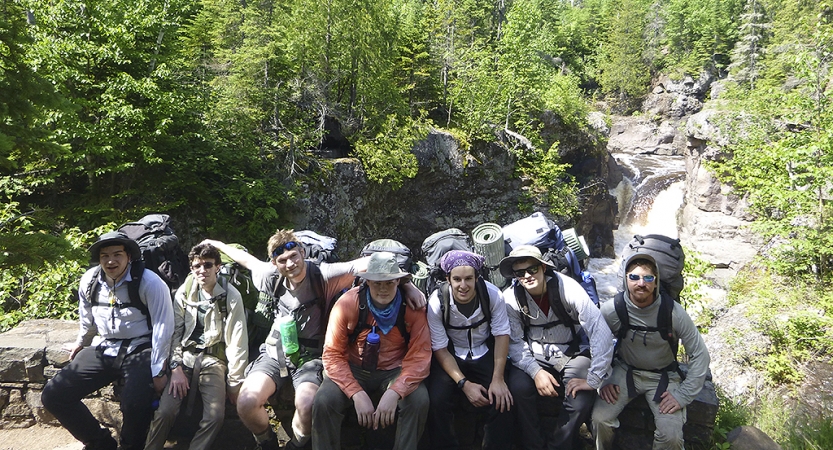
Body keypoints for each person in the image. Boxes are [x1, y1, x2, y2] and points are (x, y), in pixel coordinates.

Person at [202, 230, 426, 450]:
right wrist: (217, 244)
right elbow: (247, 260)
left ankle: (294, 446)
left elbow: (367, 264)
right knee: (246, 402)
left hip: (311, 357)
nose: (290, 264)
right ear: (274, 263)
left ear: (302, 252)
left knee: (309, 404)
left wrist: (406, 283)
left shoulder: (325, 274)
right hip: (275, 352)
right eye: (282, 260)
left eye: (293, 256)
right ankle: (268, 441)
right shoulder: (270, 275)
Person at [41, 231, 175, 450]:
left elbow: (163, 325)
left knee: (134, 404)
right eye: (105, 256)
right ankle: (100, 444)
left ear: (129, 256)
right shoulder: (90, 280)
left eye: (117, 254)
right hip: (105, 346)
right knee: (54, 395)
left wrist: (159, 369)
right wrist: (81, 342)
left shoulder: (149, 282)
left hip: (142, 348)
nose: (110, 261)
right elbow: (87, 318)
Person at [312, 252, 431, 450]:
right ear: (367, 282)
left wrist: (395, 391)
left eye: (389, 283)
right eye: (377, 283)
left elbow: (420, 356)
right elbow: (332, 354)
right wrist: (356, 393)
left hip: (395, 369)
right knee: (324, 401)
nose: (383, 289)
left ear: (398, 282)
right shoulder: (347, 304)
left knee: (418, 400)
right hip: (353, 366)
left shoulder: (412, 308)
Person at [499, 245, 614, 450]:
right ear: (515, 276)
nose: (527, 276)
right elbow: (515, 342)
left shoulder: (568, 288)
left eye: (532, 269)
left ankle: (558, 445)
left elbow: (599, 331)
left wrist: (595, 378)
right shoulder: (510, 299)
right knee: (518, 388)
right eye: (520, 273)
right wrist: (535, 372)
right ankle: (532, 445)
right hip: (534, 354)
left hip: (571, 352)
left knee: (580, 398)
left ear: (543, 267)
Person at [592, 254, 710, 450]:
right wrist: (602, 378)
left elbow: (700, 354)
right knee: (599, 419)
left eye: (648, 278)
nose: (641, 283)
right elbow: (594, 344)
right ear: (625, 279)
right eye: (634, 277)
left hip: (664, 376)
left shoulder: (673, 312)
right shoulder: (613, 309)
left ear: (656, 282)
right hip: (624, 371)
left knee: (670, 436)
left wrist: (682, 396)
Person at [145, 243, 249, 450]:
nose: (202, 271)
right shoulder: (185, 291)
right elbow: (174, 332)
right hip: (185, 358)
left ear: (217, 266)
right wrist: (175, 368)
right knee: (165, 411)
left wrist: (234, 383)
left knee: (214, 416)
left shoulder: (231, 295)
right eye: (197, 266)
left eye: (208, 265)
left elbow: (238, 341)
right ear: (191, 268)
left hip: (214, 360)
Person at [425, 250, 514, 450]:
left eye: (468, 279)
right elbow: (439, 348)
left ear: (476, 278)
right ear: (448, 279)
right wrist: (464, 384)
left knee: (503, 397)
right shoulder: (436, 302)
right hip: (452, 355)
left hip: (485, 352)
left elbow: (501, 334)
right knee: (437, 400)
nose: (463, 286)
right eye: (457, 279)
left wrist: (497, 379)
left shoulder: (492, 295)